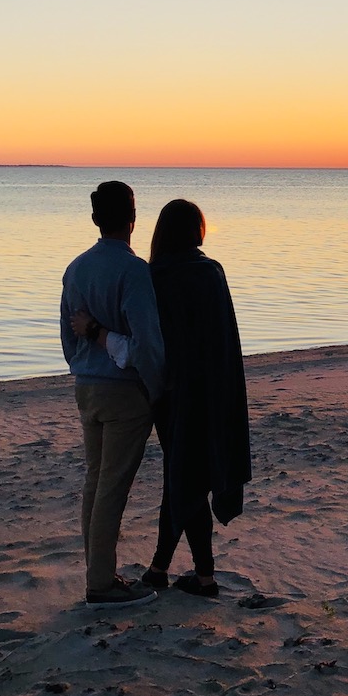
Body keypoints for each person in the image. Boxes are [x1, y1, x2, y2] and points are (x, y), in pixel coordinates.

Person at [74, 199, 251, 597]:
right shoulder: (211, 272)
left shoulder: (157, 276)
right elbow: (220, 337)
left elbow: (150, 344)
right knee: (186, 479)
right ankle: (160, 568)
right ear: (197, 232)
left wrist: (97, 337)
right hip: (213, 389)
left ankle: (203, 577)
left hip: (173, 393)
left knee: (183, 478)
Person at [60, 181, 165, 607]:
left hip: (87, 385)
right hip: (123, 392)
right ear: (133, 220)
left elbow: (67, 337)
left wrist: (82, 365)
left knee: (95, 480)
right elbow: (147, 345)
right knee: (111, 486)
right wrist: (156, 390)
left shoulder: (76, 268)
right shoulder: (134, 270)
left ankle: (98, 571)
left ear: (94, 219)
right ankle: (100, 582)